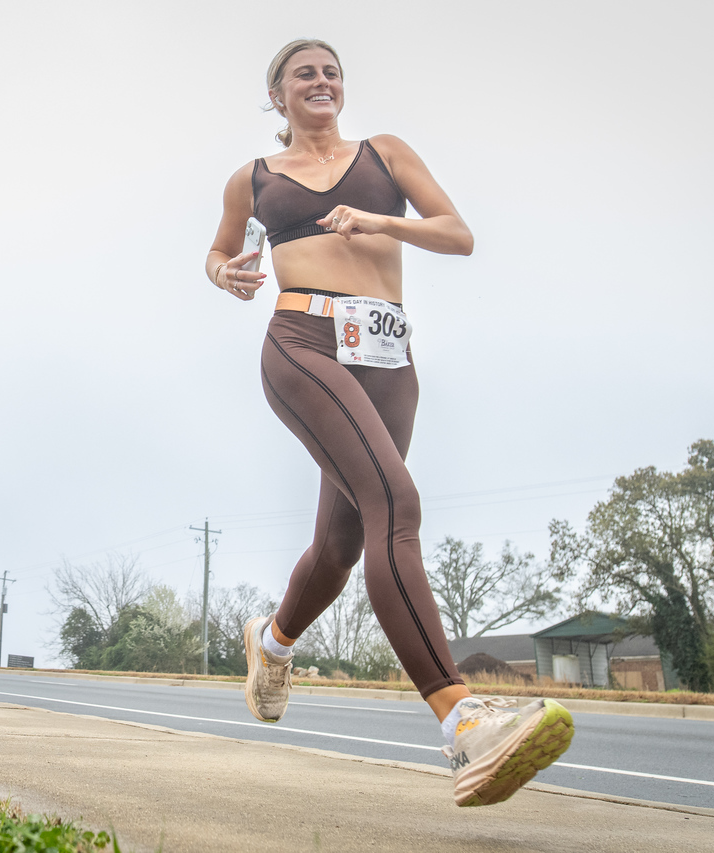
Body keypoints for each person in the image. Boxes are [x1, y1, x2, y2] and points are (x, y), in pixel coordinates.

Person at [205, 38, 574, 807]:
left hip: (387, 354)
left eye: (332, 72)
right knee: (395, 504)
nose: (322, 81)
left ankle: (272, 641)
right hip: (303, 344)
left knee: (340, 545)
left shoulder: (386, 153)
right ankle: (463, 721)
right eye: (304, 73)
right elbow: (218, 251)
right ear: (277, 97)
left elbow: (457, 233)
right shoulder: (254, 179)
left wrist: (378, 221)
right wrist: (227, 273)